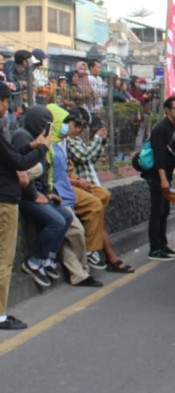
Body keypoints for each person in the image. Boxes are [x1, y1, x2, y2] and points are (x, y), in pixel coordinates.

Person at [0, 82, 50, 330]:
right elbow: (18, 162)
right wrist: (41, 149)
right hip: (4, 201)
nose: (7, 106)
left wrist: (33, 145)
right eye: (6, 101)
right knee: (3, 260)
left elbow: (11, 154)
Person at [65, 107, 135, 273]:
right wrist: (97, 139)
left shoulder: (74, 139)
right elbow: (84, 156)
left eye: (83, 127)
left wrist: (101, 141)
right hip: (76, 188)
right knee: (96, 212)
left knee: (102, 203)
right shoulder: (65, 141)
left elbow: (91, 157)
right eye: (77, 125)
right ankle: (96, 253)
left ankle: (107, 257)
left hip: (88, 184)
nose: (79, 130)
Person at [11, 105, 72, 288]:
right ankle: (35, 261)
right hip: (25, 195)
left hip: (38, 193)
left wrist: (47, 192)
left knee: (67, 216)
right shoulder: (22, 136)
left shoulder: (40, 139)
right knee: (57, 222)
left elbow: (44, 169)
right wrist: (35, 195)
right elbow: (22, 169)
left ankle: (48, 258)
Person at [46, 104, 102, 287]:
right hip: (58, 198)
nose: (67, 127)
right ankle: (83, 267)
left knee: (70, 234)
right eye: (63, 122)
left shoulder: (61, 143)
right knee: (75, 231)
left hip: (66, 196)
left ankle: (80, 273)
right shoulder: (47, 146)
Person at [144, 96, 175, 261]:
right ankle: (154, 249)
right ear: (167, 110)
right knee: (157, 211)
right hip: (157, 176)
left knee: (165, 211)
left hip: (167, 175)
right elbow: (159, 157)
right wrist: (163, 180)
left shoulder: (174, 128)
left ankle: (163, 245)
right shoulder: (160, 129)